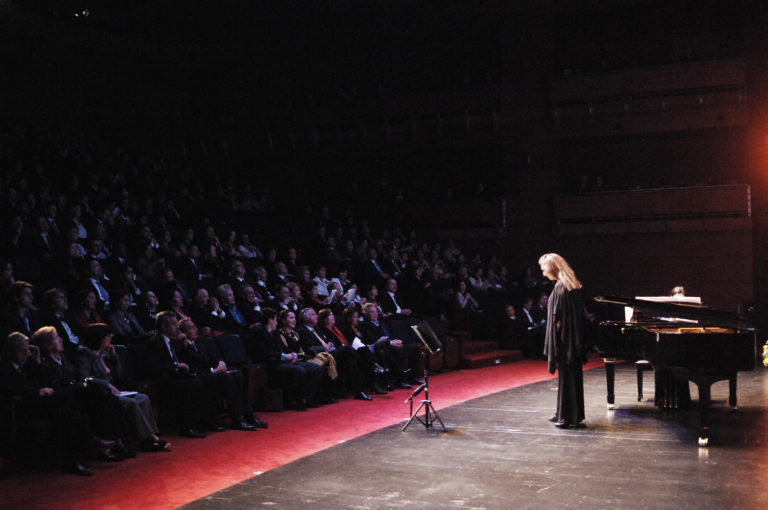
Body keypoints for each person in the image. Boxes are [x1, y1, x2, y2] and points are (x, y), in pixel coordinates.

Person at [75, 323, 170, 452]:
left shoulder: (105, 353)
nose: (110, 340)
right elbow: (83, 376)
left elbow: (119, 376)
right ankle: (149, 438)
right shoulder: (85, 353)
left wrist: (114, 358)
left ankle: (149, 436)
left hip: (115, 390)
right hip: (101, 393)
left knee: (143, 398)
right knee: (131, 403)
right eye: (108, 337)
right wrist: (106, 384)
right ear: (99, 338)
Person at [539, 253, 586, 429]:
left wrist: (555, 344)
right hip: (574, 341)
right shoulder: (571, 286)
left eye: (544, 268)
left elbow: (558, 321)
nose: (543, 273)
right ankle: (569, 413)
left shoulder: (560, 287)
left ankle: (566, 417)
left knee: (566, 378)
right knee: (572, 377)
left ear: (552, 267)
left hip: (565, 341)